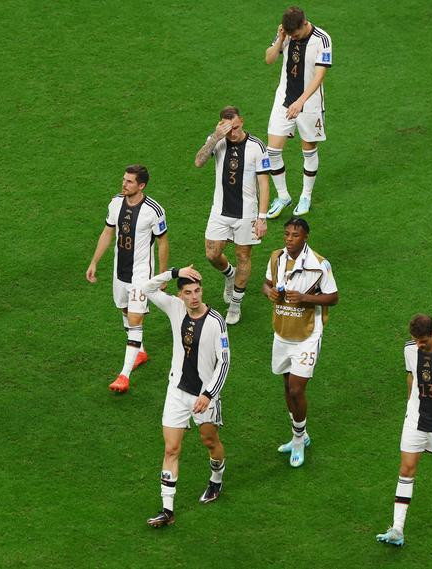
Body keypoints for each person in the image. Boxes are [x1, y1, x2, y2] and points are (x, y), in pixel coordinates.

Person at [141, 266, 230, 528]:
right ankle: (167, 510)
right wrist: (174, 271)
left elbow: (224, 363)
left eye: (198, 291)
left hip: (203, 396)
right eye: (188, 292)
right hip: (177, 392)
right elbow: (146, 288)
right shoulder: (175, 309)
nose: (194, 297)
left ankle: (216, 479)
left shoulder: (216, 322)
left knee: (210, 441)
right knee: (171, 448)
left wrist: (209, 394)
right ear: (180, 295)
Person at [376, 315, 432, 547]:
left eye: (423, 341)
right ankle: (397, 528)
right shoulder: (409, 348)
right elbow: (411, 376)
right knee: (406, 468)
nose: (418, 345)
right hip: (416, 418)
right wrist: (410, 403)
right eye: (415, 340)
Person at [262, 217, 338, 467]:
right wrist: (269, 292)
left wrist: (305, 298)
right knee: (286, 385)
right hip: (283, 331)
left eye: (295, 235)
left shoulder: (319, 265)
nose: (289, 239)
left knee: (297, 388)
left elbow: (333, 297)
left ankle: (297, 440)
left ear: (305, 237)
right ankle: (301, 434)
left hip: (307, 335)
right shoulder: (276, 258)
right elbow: (267, 284)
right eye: (286, 234)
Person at [86, 165, 169, 393]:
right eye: (124, 180)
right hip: (119, 270)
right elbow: (107, 232)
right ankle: (140, 350)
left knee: (134, 317)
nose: (124, 184)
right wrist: (94, 261)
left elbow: (162, 243)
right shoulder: (115, 203)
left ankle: (124, 375)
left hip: (141, 273)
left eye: (129, 182)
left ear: (141, 186)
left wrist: (162, 276)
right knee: (124, 309)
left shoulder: (154, 210)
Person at [194, 106, 270, 325]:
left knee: (243, 256)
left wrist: (262, 217)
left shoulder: (256, 147)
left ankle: (235, 304)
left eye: (235, 127)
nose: (233, 133)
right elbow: (198, 162)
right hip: (220, 211)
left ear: (242, 122)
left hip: (246, 213)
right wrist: (216, 136)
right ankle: (229, 274)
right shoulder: (217, 140)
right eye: (228, 129)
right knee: (212, 254)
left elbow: (264, 183)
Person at [264, 6, 332, 218]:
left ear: (304, 23)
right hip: (283, 100)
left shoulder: (322, 39)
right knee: (272, 151)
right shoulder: (286, 34)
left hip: (309, 105)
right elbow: (269, 59)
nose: (293, 37)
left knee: (308, 150)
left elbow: (319, 76)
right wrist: (279, 39)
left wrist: (300, 102)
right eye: (290, 34)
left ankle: (306, 195)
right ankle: (283, 196)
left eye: (295, 34)